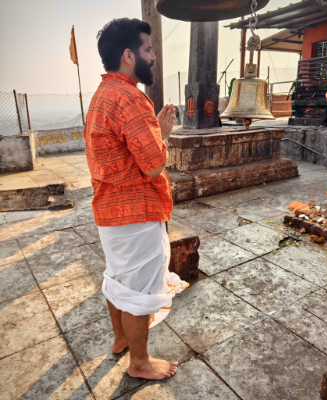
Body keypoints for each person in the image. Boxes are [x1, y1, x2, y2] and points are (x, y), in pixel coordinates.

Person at [85, 18, 187, 380]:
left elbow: (128, 152)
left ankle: (119, 339)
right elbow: (153, 166)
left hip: (110, 213)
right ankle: (140, 362)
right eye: (147, 49)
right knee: (140, 291)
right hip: (136, 215)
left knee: (118, 281)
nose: (153, 57)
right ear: (129, 55)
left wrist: (153, 130)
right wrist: (164, 133)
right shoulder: (130, 97)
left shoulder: (102, 96)